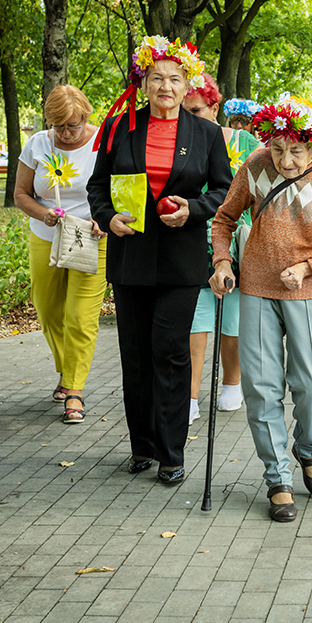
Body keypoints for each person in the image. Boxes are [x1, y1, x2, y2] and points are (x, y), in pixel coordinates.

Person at [210, 102, 312, 522]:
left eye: (296, 150)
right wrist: (222, 262)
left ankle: (308, 449)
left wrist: (310, 267)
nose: (286, 160)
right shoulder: (255, 165)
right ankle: (277, 476)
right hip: (257, 287)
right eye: (278, 149)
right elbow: (224, 219)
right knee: (261, 388)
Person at [87, 36, 232, 484]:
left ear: (188, 85)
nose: (165, 87)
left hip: (180, 260)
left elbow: (223, 191)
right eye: (156, 78)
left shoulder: (206, 134)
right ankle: (142, 446)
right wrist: (108, 218)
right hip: (130, 257)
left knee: (170, 351)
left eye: (174, 79)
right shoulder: (118, 127)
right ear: (143, 83)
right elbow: (96, 187)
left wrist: (194, 209)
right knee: (135, 355)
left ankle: (172, 452)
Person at [13, 85, 105, 424]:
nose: (66, 133)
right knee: (49, 310)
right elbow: (21, 194)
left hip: (91, 237)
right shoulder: (38, 144)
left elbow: (120, 188)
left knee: (80, 316)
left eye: (73, 126)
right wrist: (42, 214)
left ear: (85, 117)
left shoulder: (103, 142)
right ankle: (67, 370)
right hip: (46, 236)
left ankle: (74, 390)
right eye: (59, 126)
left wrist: (105, 217)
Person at [181, 73, 261, 420]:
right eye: (185, 111)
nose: (189, 117)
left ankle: (231, 384)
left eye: (196, 110)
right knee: (195, 322)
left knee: (233, 321)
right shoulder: (181, 142)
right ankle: (189, 396)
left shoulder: (244, 141)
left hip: (237, 239)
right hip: (193, 239)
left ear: (214, 107)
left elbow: (263, 188)